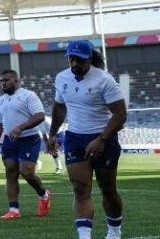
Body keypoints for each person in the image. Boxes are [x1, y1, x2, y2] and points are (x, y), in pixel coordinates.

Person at [47, 40, 126, 239]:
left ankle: (114, 232)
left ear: (89, 59)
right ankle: (84, 236)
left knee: (108, 190)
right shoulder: (61, 78)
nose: (74, 63)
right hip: (75, 138)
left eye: (79, 60)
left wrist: (101, 139)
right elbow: (59, 107)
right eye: (71, 59)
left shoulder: (104, 80)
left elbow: (120, 114)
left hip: (103, 140)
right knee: (80, 188)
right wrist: (53, 133)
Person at [0, 70, 51, 219]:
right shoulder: (1, 100)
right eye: (1, 81)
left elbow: (40, 116)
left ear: (16, 80)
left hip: (29, 139)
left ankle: (44, 195)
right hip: (10, 141)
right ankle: (14, 210)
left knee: (27, 172)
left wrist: (21, 128)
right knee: (10, 172)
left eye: (6, 80)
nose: (3, 83)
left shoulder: (28, 96)